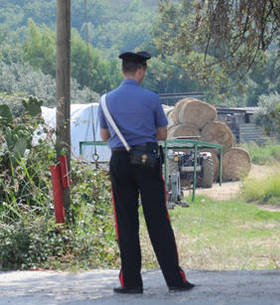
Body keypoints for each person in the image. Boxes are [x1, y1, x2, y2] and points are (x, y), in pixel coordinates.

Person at [98, 51, 194, 294]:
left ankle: (131, 283)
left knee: (126, 222)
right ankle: (175, 280)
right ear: (140, 70)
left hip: (120, 161)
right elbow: (162, 134)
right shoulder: (151, 98)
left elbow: (104, 136)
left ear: (123, 71)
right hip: (147, 160)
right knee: (158, 219)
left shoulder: (105, 100)